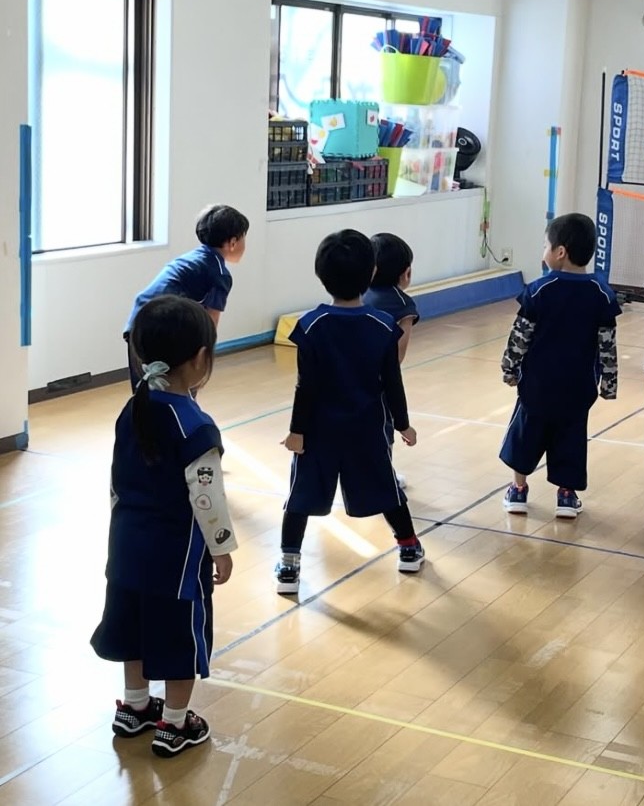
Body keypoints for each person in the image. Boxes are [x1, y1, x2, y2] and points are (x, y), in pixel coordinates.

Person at [91, 295, 237, 758]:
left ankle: (134, 707)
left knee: (131, 624)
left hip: (125, 546)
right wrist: (221, 547)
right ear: (200, 358)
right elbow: (207, 497)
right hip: (176, 557)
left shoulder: (132, 408)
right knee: (179, 636)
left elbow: (115, 480)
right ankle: (175, 723)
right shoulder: (195, 425)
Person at [276, 229, 424, 595]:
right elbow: (392, 383)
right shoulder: (383, 325)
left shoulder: (310, 326)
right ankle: (408, 547)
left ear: (320, 274)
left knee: (300, 496)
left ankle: (289, 565)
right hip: (367, 431)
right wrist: (403, 424)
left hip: (318, 433)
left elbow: (305, 386)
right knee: (387, 489)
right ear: (371, 273)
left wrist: (296, 431)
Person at [500, 213, 620, 519]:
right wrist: (609, 383)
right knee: (571, 439)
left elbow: (520, 336)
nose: (543, 252)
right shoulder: (601, 294)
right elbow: (607, 345)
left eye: (545, 246)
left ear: (560, 252)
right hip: (578, 387)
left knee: (525, 434)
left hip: (537, 385)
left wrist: (509, 368)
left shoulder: (539, 290)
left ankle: (518, 489)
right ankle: (566, 495)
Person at [123, 204, 249, 388]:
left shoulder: (191, 258)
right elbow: (210, 324)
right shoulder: (219, 274)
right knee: (179, 387)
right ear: (233, 243)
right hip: (161, 328)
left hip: (136, 323)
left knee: (144, 392)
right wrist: (203, 363)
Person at [363, 232, 420, 489]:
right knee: (381, 429)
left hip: (346, 374)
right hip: (378, 382)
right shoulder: (402, 305)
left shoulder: (356, 294)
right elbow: (397, 355)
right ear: (406, 273)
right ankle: (383, 477)